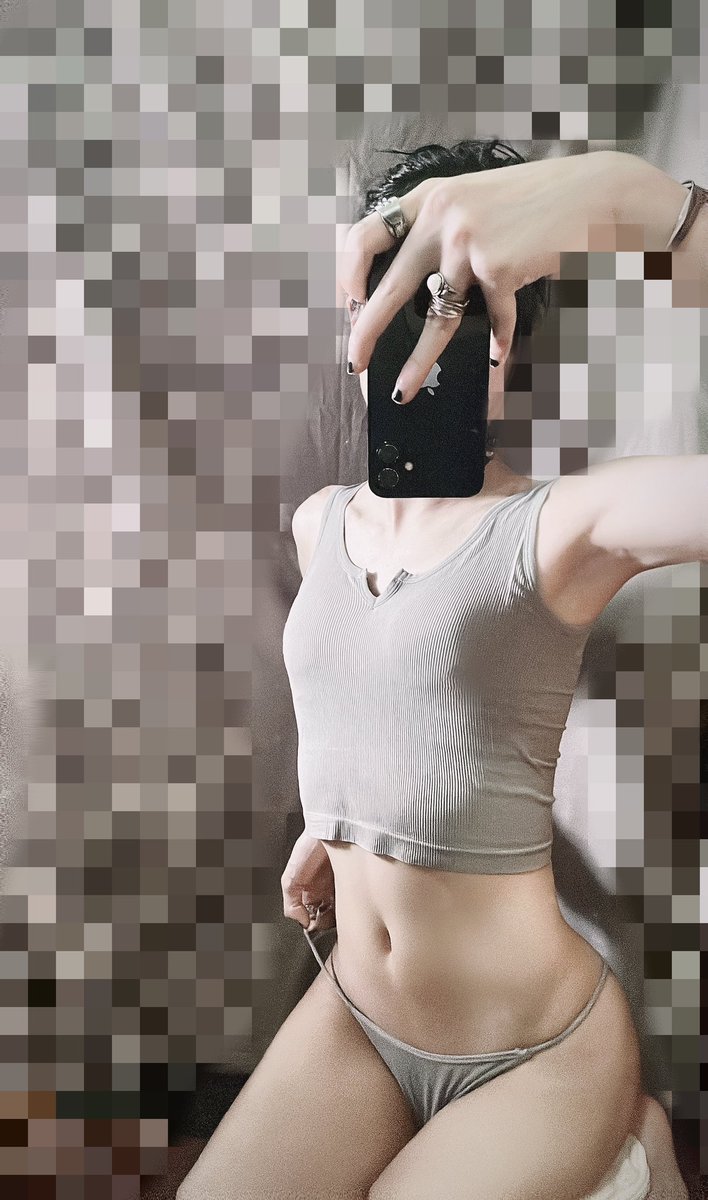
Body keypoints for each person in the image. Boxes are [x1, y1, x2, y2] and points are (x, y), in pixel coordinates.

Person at [176, 142, 701, 1200]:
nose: (423, 331)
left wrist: (641, 205)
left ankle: (633, 1148)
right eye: (399, 293)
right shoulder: (321, 525)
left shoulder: (560, 528)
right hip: (357, 1013)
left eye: (457, 303)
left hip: (537, 1048)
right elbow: (385, 693)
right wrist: (344, 824)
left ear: (503, 337)